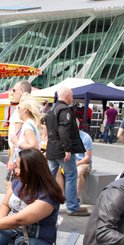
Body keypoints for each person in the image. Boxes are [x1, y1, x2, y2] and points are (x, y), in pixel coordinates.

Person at [46, 87, 89, 216]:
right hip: (61, 149)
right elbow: (64, 130)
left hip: (52, 148)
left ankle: (46, 202)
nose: (72, 98)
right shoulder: (65, 110)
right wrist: (67, 149)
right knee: (71, 175)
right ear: (68, 96)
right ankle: (72, 206)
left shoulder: (51, 109)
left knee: (50, 176)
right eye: (71, 96)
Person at [56, 119, 92, 199]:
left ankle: (76, 197)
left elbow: (87, 158)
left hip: (83, 162)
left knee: (79, 171)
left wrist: (76, 164)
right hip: (69, 159)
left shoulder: (86, 138)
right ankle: (62, 195)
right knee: (57, 169)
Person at [5, 81, 30, 189]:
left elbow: (17, 136)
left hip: (19, 154)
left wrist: (12, 159)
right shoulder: (27, 108)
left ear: (22, 91)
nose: (12, 93)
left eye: (14, 90)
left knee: (10, 184)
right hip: (23, 153)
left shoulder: (21, 110)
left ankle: (12, 205)